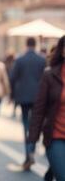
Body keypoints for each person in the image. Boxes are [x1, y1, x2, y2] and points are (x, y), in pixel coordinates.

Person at [29, 36, 65, 181]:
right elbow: (39, 109)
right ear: (62, 51)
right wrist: (33, 137)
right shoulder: (50, 75)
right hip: (56, 136)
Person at [10, 37, 46, 170]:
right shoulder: (42, 59)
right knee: (36, 124)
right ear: (35, 45)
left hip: (23, 96)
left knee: (26, 125)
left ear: (26, 45)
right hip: (38, 97)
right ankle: (32, 149)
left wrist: (12, 95)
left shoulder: (20, 59)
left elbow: (12, 78)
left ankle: (28, 153)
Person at [4, 50, 18, 118]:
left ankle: (11, 102)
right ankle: (14, 108)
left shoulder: (6, 64)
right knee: (15, 96)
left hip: (9, 81)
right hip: (14, 82)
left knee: (12, 94)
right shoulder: (15, 63)